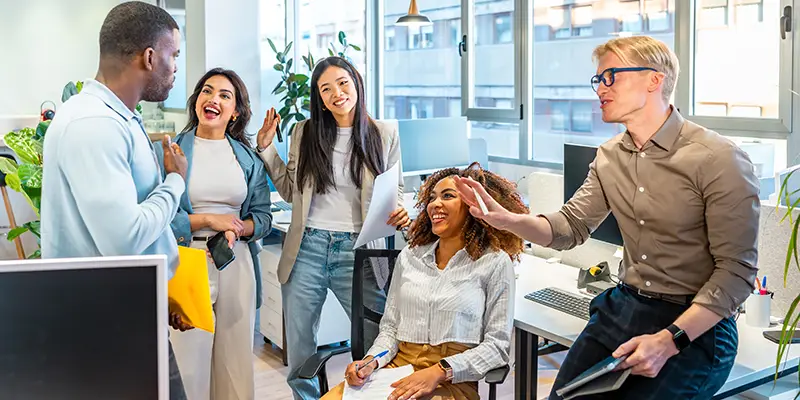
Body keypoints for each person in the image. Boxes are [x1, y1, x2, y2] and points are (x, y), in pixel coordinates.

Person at [455, 35, 760, 399]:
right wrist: (507, 220)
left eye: (611, 76)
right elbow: (569, 227)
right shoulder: (610, 155)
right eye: (598, 79)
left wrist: (668, 341)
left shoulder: (718, 159)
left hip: (695, 327)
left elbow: (737, 272)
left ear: (654, 80)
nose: (600, 88)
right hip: (624, 309)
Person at [40, 1, 192, 399]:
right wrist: (175, 182)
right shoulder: (95, 124)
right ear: (148, 56)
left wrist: (162, 295)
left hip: (127, 312)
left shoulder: (118, 116)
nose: (176, 66)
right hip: (108, 329)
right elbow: (123, 238)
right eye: (173, 55)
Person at [256, 56, 410, 399]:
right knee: (299, 351)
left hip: (360, 251)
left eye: (342, 83)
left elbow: (394, 191)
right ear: (319, 98)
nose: (336, 93)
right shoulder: (305, 132)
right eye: (326, 89)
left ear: (356, 82)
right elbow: (290, 191)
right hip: (306, 249)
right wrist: (267, 150)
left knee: (376, 342)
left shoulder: (385, 134)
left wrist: (398, 210)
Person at [320, 164, 527, 400]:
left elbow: (497, 347)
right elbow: (390, 329)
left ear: (474, 205)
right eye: (431, 197)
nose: (434, 204)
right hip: (397, 371)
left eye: (447, 196)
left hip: (451, 380)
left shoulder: (494, 262)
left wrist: (440, 371)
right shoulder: (410, 255)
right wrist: (371, 362)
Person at [154, 68, 273, 400]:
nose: (214, 99)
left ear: (235, 112)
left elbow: (262, 217)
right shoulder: (171, 151)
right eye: (207, 91)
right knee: (189, 359)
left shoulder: (247, 157)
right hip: (187, 260)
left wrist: (238, 228)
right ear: (197, 101)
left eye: (225, 95)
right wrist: (207, 218)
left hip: (236, 262)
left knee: (235, 362)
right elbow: (158, 214)